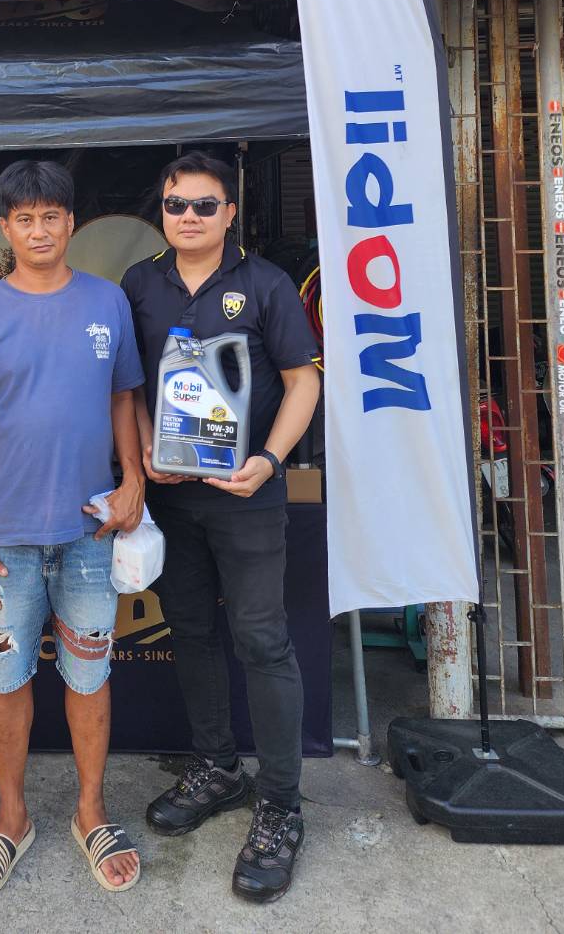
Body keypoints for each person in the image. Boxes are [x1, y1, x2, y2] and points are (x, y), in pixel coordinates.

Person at [120, 151, 320, 905]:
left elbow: (303, 382)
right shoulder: (140, 283)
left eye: (205, 205)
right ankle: (217, 767)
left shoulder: (265, 284)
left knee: (262, 640)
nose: (190, 217)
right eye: (177, 204)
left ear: (230, 213)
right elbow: (130, 384)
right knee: (192, 630)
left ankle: (281, 805)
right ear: (162, 211)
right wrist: (144, 445)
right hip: (174, 497)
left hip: (247, 495)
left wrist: (270, 459)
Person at [0, 159, 146, 900]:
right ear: (6, 227)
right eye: (24, 218)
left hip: (89, 530)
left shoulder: (107, 302)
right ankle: (12, 815)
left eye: (51, 216)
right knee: (5, 679)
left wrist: (133, 478)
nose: (39, 230)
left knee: (89, 675)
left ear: (70, 222)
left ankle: (91, 810)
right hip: (3, 539)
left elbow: (124, 397)